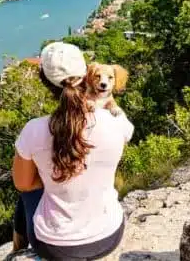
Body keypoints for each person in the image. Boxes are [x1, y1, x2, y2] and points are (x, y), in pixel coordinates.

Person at [11, 42, 134, 260]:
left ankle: (18, 249)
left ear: (45, 81)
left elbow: (23, 184)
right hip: (108, 235)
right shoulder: (117, 121)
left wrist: (51, 177)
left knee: (27, 195)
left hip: (55, 247)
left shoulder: (34, 130)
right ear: (86, 75)